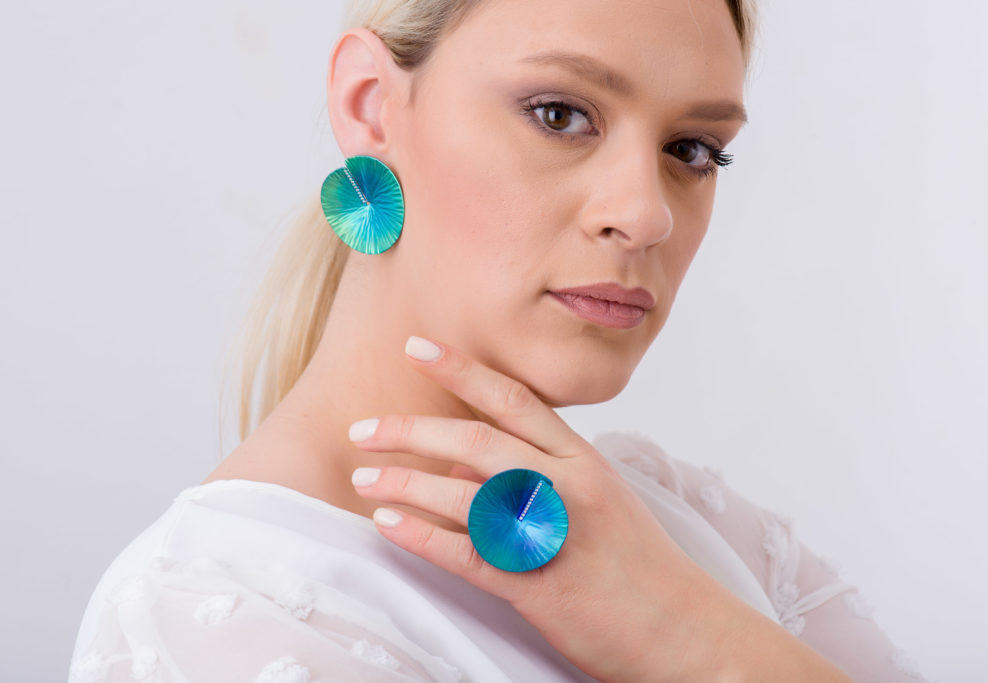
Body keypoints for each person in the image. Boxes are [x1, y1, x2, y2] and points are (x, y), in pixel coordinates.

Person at [69, 0, 930, 681]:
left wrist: (689, 632)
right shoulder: (210, 620)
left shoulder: (690, 530)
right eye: (560, 114)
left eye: (692, 149)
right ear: (370, 105)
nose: (645, 214)